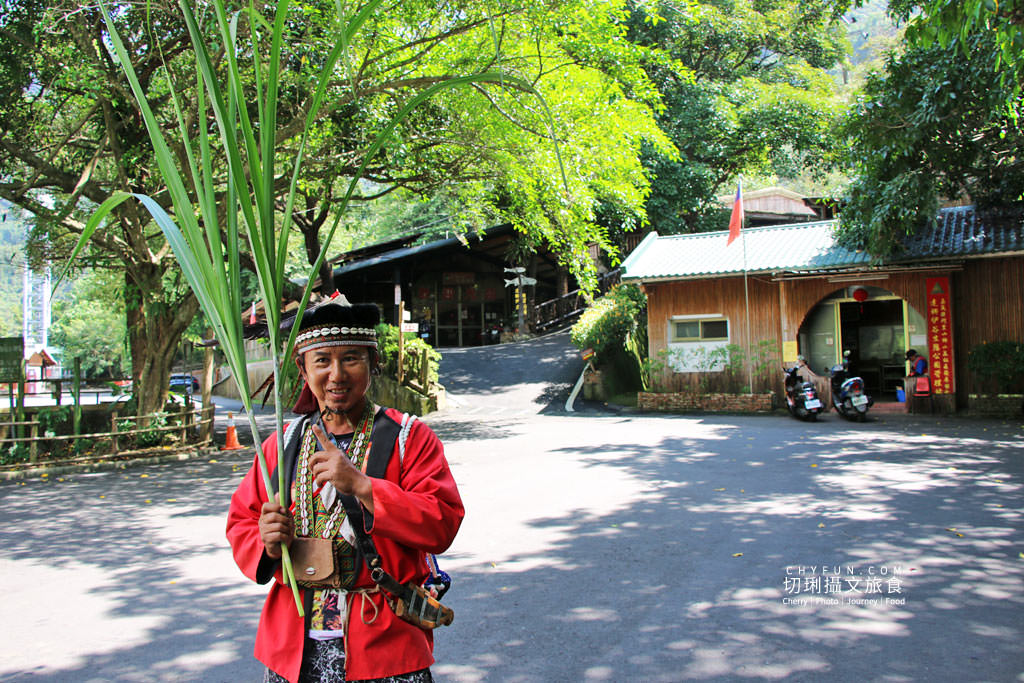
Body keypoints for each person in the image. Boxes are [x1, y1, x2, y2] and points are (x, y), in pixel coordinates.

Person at [227, 299, 464, 683]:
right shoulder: (281, 445)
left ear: (373, 363)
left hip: (384, 645)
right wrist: (265, 541)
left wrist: (363, 487)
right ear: (303, 369)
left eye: (351, 359)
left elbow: (443, 521)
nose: (336, 374)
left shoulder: (409, 438)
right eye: (322, 361)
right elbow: (242, 520)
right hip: (294, 648)